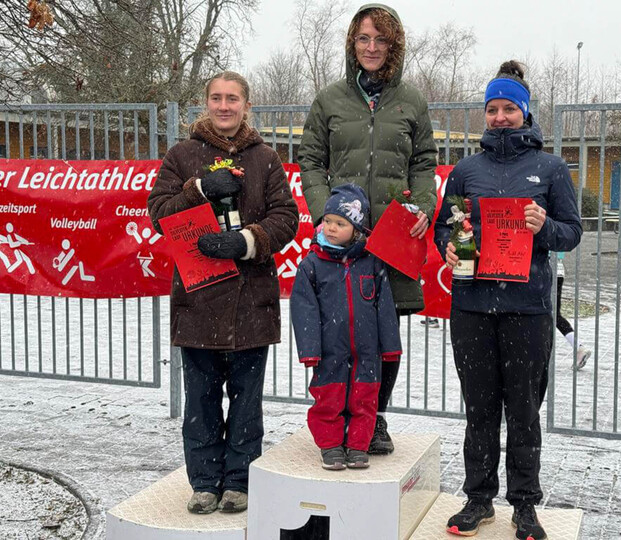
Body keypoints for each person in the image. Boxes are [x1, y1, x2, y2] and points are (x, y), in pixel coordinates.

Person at [434, 61, 582, 539]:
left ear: (525, 112)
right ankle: (479, 499)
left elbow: (572, 232)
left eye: (508, 109)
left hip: (527, 309)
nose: (499, 117)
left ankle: (525, 504)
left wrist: (544, 228)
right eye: (492, 109)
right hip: (472, 306)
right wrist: (448, 246)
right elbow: (444, 226)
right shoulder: (466, 170)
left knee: (523, 411)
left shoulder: (551, 169)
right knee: (479, 409)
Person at [147, 71, 299, 514]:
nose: (224, 106)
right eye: (216, 98)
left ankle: (238, 481)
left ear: (247, 105)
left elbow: (285, 217)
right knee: (201, 400)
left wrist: (246, 242)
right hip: (198, 298)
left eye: (233, 98)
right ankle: (203, 482)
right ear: (206, 103)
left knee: (247, 401)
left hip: (252, 298)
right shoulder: (182, 155)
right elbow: (158, 213)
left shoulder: (265, 158)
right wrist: (198, 190)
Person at [298, 4, 437, 455]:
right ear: (352, 43)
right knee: (340, 332)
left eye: (381, 39)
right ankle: (336, 419)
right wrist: (325, 213)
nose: (371, 47)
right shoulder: (330, 100)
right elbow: (310, 161)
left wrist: (424, 207)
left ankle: (373, 419)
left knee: (383, 334)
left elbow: (424, 163)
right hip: (343, 243)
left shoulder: (412, 101)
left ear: (394, 46)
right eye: (363, 38)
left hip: (393, 239)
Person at [290, 184, 402, 470]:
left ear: (357, 229)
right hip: (330, 349)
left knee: (365, 398)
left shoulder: (371, 263)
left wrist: (390, 346)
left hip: (367, 350)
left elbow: (384, 306)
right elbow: (304, 309)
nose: (331, 228)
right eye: (328, 221)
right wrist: (310, 349)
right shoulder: (312, 265)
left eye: (340, 224)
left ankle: (357, 446)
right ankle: (330, 445)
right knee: (329, 396)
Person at [555, 252, 592, 370]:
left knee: (548, 315)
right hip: (557, 270)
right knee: (553, 315)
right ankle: (578, 347)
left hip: (544, 271)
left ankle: (579, 347)